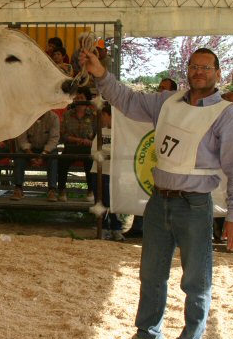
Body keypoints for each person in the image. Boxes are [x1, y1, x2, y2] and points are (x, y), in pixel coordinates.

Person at [80, 46, 233, 339]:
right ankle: (148, 334)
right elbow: (128, 100)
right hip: (159, 200)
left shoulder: (228, 117)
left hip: (195, 204)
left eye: (206, 67)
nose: (198, 71)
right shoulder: (167, 102)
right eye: (194, 66)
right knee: (151, 272)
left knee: (196, 279)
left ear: (218, 74)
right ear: (188, 70)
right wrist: (100, 74)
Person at [124, 78, 177, 238]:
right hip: (148, 159)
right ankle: (138, 226)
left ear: (172, 92)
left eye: (164, 88)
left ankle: (169, 231)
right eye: (159, 87)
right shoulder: (151, 108)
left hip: (169, 163)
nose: (160, 91)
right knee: (141, 190)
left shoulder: (179, 111)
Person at [90, 104, 124, 241]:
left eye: (104, 115)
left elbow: (120, 151)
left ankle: (116, 228)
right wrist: (108, 151)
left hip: (113, 172)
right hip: (97, 170)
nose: (102, 118)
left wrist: (105, 151)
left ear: (110, 115)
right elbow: (94, 150)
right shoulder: (100, 131)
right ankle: (102, 228)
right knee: (99, 201)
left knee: (113, 202)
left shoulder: (120, 132)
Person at [11, 110, 60, 201]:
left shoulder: (53, 117)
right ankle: (18, 188)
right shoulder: (25, 117)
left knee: (54, 157)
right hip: (29, 149)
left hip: (47, 149)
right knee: (19, 155)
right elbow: (22, 139)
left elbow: (54, 139)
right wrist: (31, 156)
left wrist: (43, 154)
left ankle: (52, 190)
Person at [57, 87, 95, 202]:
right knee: (62, 160)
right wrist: (77, 140)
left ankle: (91, 191)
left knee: (90, 161)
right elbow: (63, 135)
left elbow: (97, 135)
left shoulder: (93, 116)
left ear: (87, 99)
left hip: (87, 148)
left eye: (82, 98)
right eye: (77, 98)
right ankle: (62, 191)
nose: (79, 100)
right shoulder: (67, 115)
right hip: (71, 147)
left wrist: (91, 142)